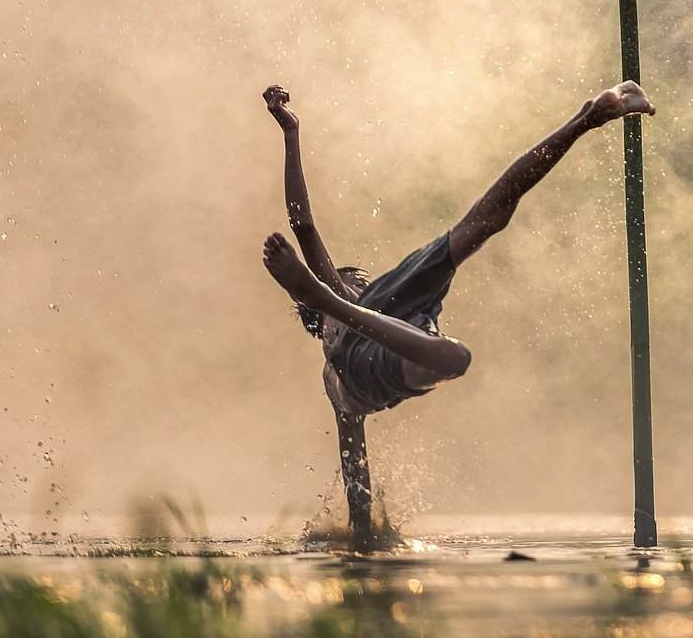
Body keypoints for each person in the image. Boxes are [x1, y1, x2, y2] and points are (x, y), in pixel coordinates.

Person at [260, 80, 655, 416]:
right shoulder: (359, 320)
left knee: (455, 357)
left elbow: (304, 225)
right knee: (480, 224)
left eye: (353, 285)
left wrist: (292, 135)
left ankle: (588, 118)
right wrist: (290, 133)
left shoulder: (343, 340)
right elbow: (302, 224)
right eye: (350, 284)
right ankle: (587, 119)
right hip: (389, 329)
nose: (356, 284)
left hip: (369, 345)